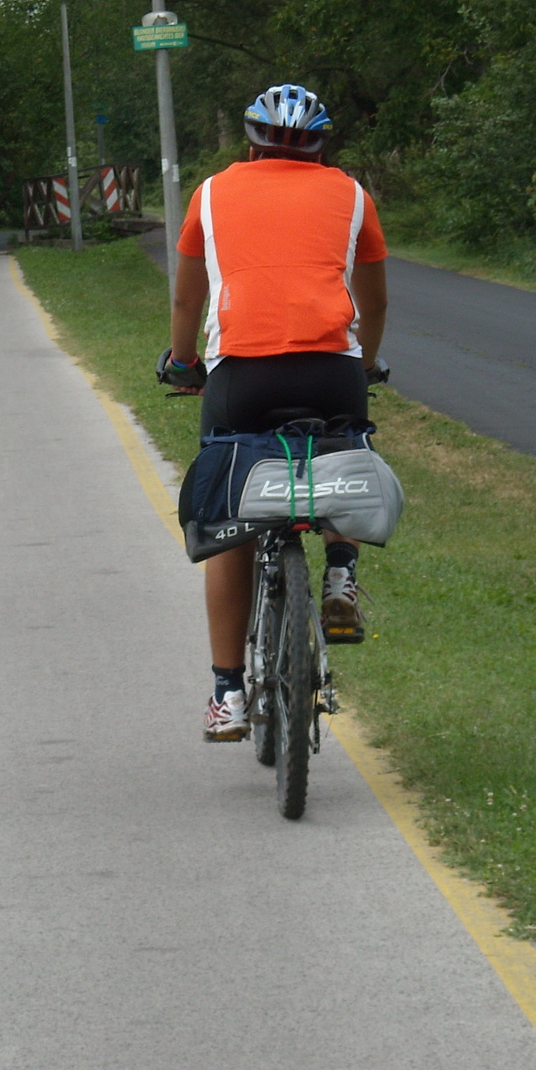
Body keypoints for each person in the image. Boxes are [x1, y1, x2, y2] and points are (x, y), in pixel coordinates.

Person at [164, 84, 389, 742]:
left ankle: (228, 694)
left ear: (250, 142)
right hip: (332, 372)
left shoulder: (210, 194)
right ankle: (341, 574)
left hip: (241, 376)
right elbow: (372, 306)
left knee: (229, 521)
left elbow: (186, 306)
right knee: (345, 449)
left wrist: (183, 365)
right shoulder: (353, 196)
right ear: (322, 145)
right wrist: (364, 366)